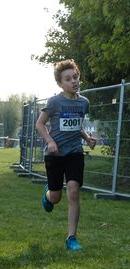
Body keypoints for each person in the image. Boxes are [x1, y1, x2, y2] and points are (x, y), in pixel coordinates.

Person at [36, 59, 96, 251]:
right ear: (60, 83)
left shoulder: (83, 103)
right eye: (68, 79)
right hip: (55, 155)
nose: (73, 81)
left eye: (75, 77)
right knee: (56, 198)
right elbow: (40, 124)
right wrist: (51, 142)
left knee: (73, 190)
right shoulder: (54, 102)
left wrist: (86, 137)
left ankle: (71, 238)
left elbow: (77, 125)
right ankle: (48, 195)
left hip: (75, 153)